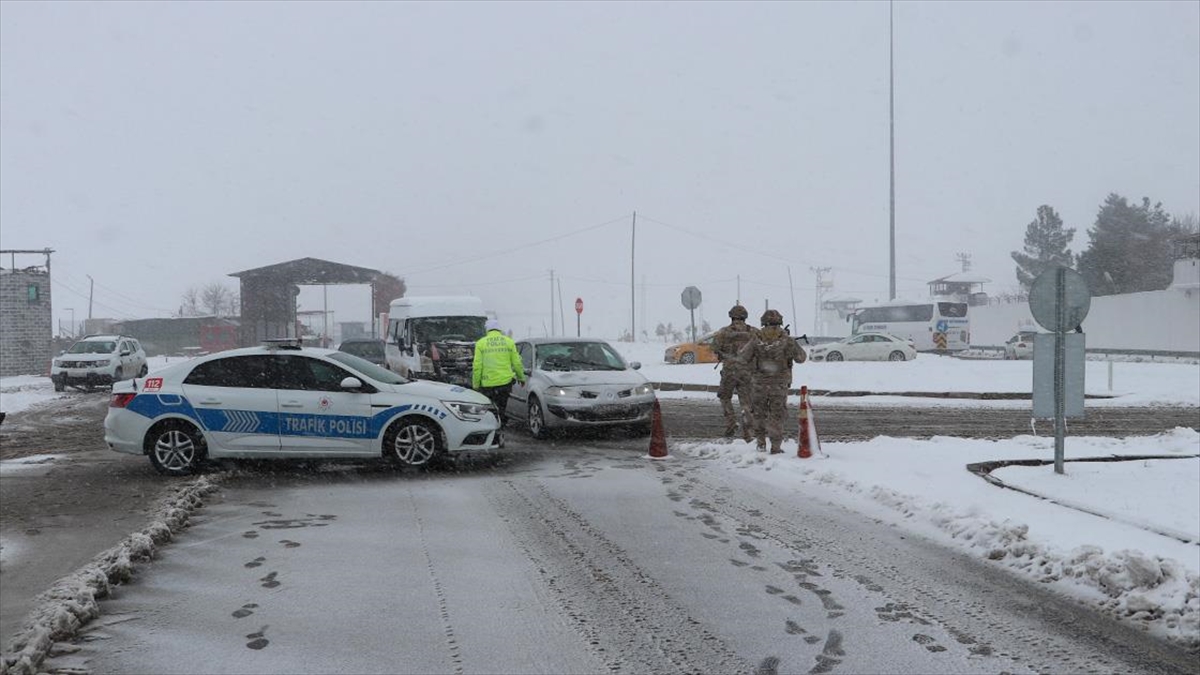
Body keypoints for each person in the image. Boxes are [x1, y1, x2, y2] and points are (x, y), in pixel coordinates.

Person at [738, 309, 807, 454]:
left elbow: (743, 357)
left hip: (759, 383)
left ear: (763, 323)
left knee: (759, 413)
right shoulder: (787, 340)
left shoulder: (756, 339)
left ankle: (761, 442)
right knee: (777, 414)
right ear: (780, 322)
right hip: (779, 384)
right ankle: (775, 447)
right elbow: (801, 358)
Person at [712, 304, 759, 441]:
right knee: (746, 401)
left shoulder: (724, 332)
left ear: (731, 317)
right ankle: (747, 428)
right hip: (747, 372)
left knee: (725, 397)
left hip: (729, 371)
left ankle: (731, 422)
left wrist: (725, 353)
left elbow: (714, 347)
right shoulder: (754, 332)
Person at [471, 319, 526, 429]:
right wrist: (521, 378)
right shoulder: (508, 342)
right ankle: (500, 429)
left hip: (487, 384)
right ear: (499, 329)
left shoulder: (481, 343)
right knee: (501, 408)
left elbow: (477, 366)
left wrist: (476, 385)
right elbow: (516, 363)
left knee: (488, 410)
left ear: (487, 330)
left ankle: (490, 429)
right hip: (504, 383)